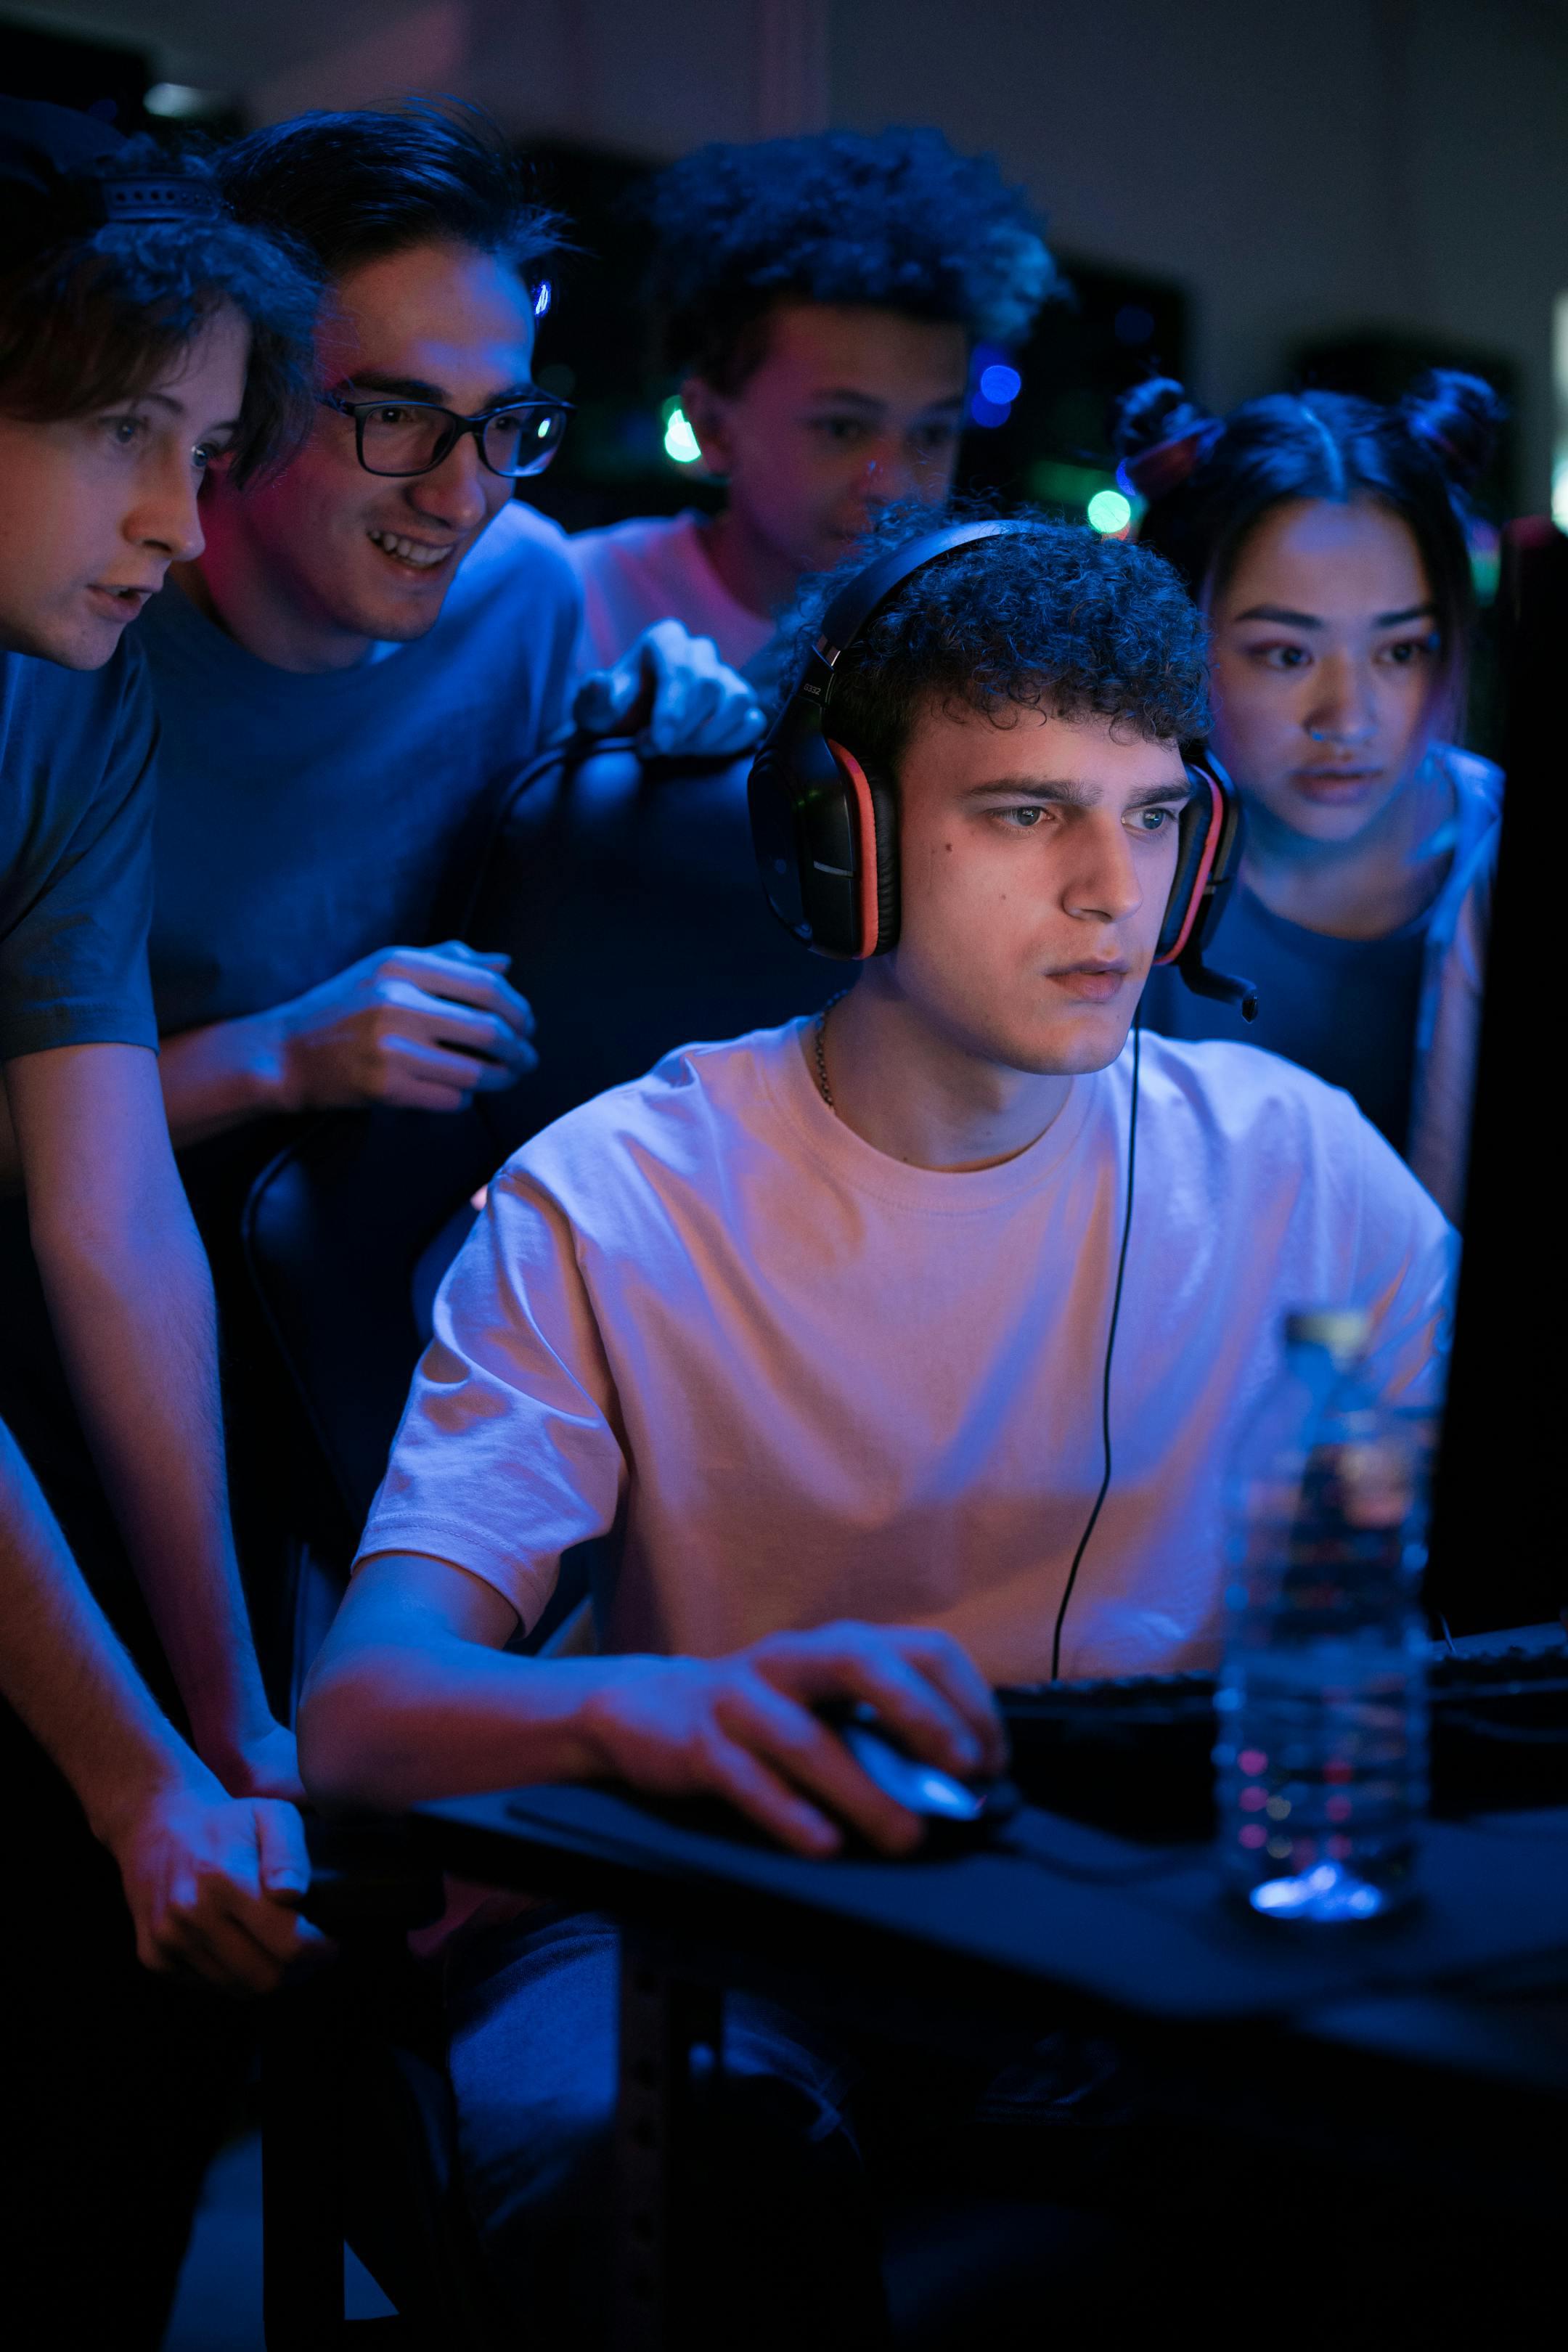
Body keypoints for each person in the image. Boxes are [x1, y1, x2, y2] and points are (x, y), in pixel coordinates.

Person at [298, 510, 1450, 2340]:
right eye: (1023, 813)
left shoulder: (1300, 1166)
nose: (1108, 892)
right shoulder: (618, 1196)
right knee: (669, 2156)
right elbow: (361, 1714)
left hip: (1120, 1923)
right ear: (842, 845)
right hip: (714, 1916)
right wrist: (660, 1705)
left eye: (1151, 817)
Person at [0, 98, 322, 2345]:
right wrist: (135, 1784)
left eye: (201, 453)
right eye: (126, 430)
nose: (171, 527)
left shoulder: (68, 700)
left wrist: (232, 1736)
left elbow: (109, 1211)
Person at [1122, 371, 1505, 1222]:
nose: (1350, 718)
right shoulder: (1117, 871)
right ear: (1180, 636)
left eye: (1401, 651)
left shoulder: (1501, 856)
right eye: (1286, 655)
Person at [564, 128, 1055, 680]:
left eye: (933, 433)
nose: (893, 487)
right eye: (842, 428)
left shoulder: (968, 655)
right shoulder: (573, 605)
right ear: (712, 427)